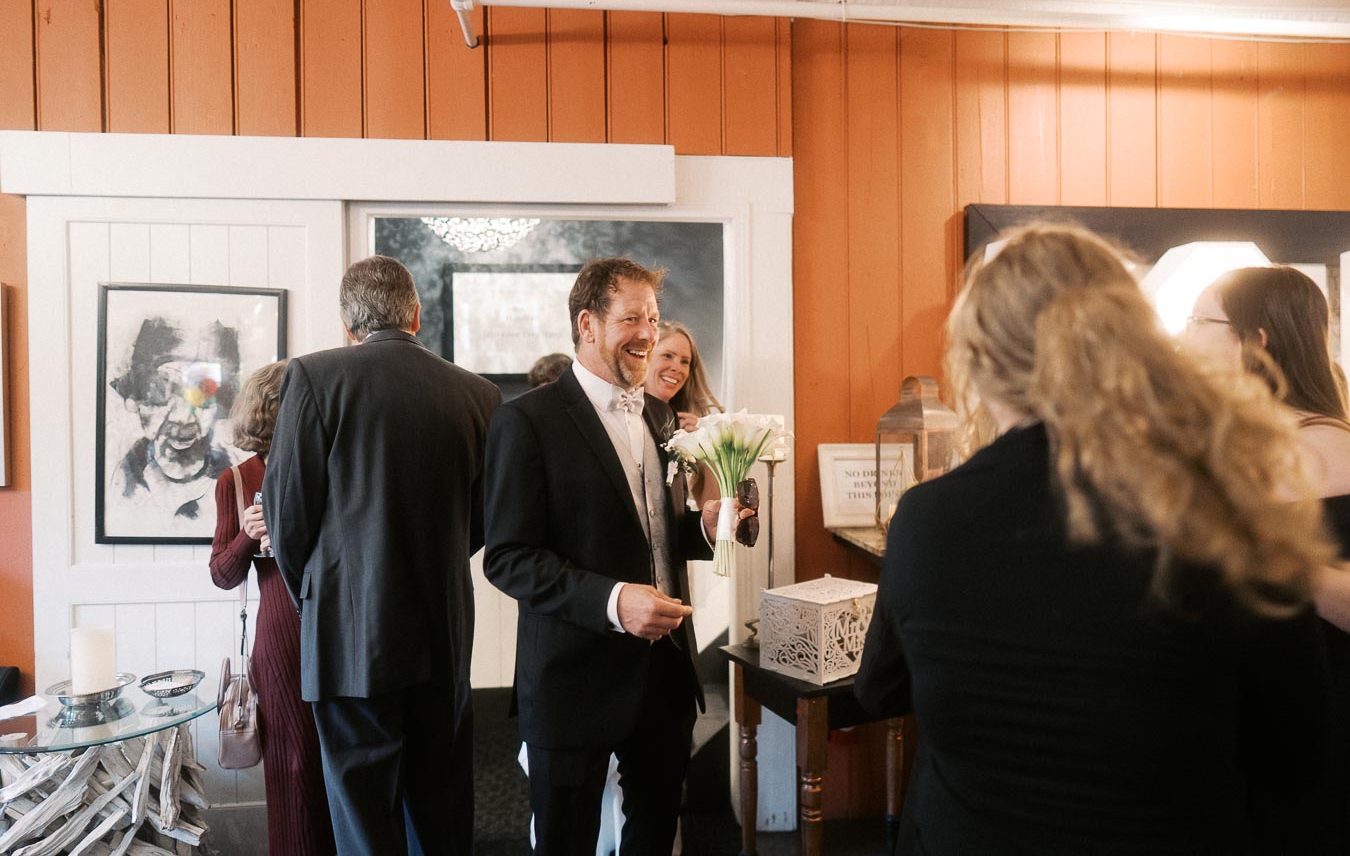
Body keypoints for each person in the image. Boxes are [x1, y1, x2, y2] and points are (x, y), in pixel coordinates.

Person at [855, 224, 1332, 855]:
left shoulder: (927, 516)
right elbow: (1296, 750)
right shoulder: (1217, 505)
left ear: (981, 360)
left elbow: (878, 689)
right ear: (1131, 342)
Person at [483, 257, 747, 855]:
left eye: (653, 318)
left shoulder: (658, 416)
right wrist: (612, 600)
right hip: (573, 680)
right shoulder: (525, 421)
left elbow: (656, 532)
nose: (650, 335)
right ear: (588, 325)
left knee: (654, 832)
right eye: (633, 318)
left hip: (665, 676)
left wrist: (704, 527)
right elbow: (508, 557)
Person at [264, 255, 501, 855]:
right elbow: (483, 520)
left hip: (346, 635)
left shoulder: (314, 378)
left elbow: (287, 515)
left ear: (349, 323)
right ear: (416, 315)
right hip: (443, 628)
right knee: (441, 808)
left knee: (363, 817)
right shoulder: (478, 395)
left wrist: (315, 595)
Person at [1183, 265, 1350, 853]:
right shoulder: (1231, 441)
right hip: (1243, 715)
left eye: (1198, 320)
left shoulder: (1321, 448)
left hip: (1311, 725)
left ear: (1256, 341)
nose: (1181, 338)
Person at [208, 360, 335, 856]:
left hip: (338, 629)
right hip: (282, 638)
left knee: (344, 762)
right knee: (295, 767)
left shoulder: (330, 466)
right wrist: (249, 534)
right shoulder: (237, 481)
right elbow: (222, 574)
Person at [109, 317, 239, 527]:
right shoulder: (119, 487)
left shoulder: (241, 483)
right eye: (161, 391)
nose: (182, 417)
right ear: (135, 401)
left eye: (202, 392)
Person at [646, 321, 723, 506]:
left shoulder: (688, 427)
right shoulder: (623, 416)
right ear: (646, 356)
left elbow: (711, 509)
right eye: (667, 356)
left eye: (684, 362)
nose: (677, 368)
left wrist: (707, 453)